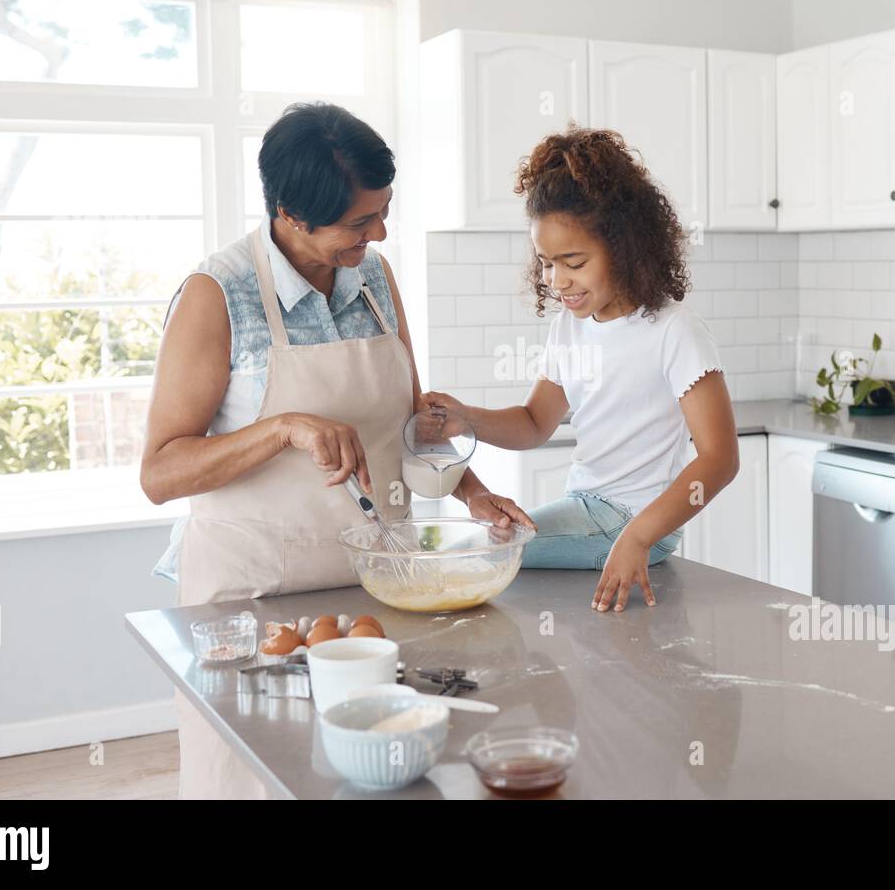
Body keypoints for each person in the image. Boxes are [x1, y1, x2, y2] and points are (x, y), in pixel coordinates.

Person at [140, 102, 531, 798]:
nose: (378, 233)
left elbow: (413, 421)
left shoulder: (374, 279)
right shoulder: (217, 295)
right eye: (359, 221)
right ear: (291, 212)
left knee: (375, 773)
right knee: (255, 780)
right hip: (253, 604)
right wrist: (281, 426)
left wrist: (475, 493)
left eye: (383, 212)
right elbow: (160, 471)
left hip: (374, 589)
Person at [422, 126, 739, 613]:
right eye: (546, 263)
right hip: (590, 510)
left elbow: (719, 459)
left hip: (635, 522)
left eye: (573, 261)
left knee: (474, 555)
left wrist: (637, 537)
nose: (556, 280)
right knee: (479, 552)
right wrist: (469, 419)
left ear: (626, 248)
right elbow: (534, 424)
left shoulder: (674, 331)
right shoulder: (572, 328)